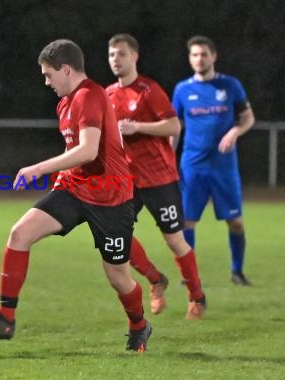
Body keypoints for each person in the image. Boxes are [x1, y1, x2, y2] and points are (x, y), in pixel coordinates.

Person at [0, 39, 152, 352]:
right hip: (75, 189)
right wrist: (59, 179)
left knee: (118, 276)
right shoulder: (65, 103)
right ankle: (5, 318)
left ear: (66, 69)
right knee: (20, 234)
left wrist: (38, 168)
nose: (46, 82)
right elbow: (73, 151)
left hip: (111, 198)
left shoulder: (89, 95)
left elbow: (89, 150)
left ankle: (139, 325)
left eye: (49, 75)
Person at [105, 33, 206, 319]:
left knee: (174, 240)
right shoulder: (108, 95)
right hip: (127, 180)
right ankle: (155, 279)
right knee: (114, 235)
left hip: (160, 178)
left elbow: (174, 126)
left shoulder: (148, 90)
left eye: (122, 54)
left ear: (135, 56)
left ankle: (197, 296)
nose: (116, 59)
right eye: (112, 54)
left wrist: (138, 127)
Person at [172, 36, 255, 286]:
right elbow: (174, 127)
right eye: (195, 55)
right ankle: (189, 276)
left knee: (236, 222)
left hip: (224, 167)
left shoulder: (230, 86)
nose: (199, 59)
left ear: (214, 56)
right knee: (187, 222)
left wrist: (235, 131)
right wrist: (167, 156)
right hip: (193, 166)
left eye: (204, 54)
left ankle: (237, 272)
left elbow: (248, 118)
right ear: (190, 59)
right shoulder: (182, 90)